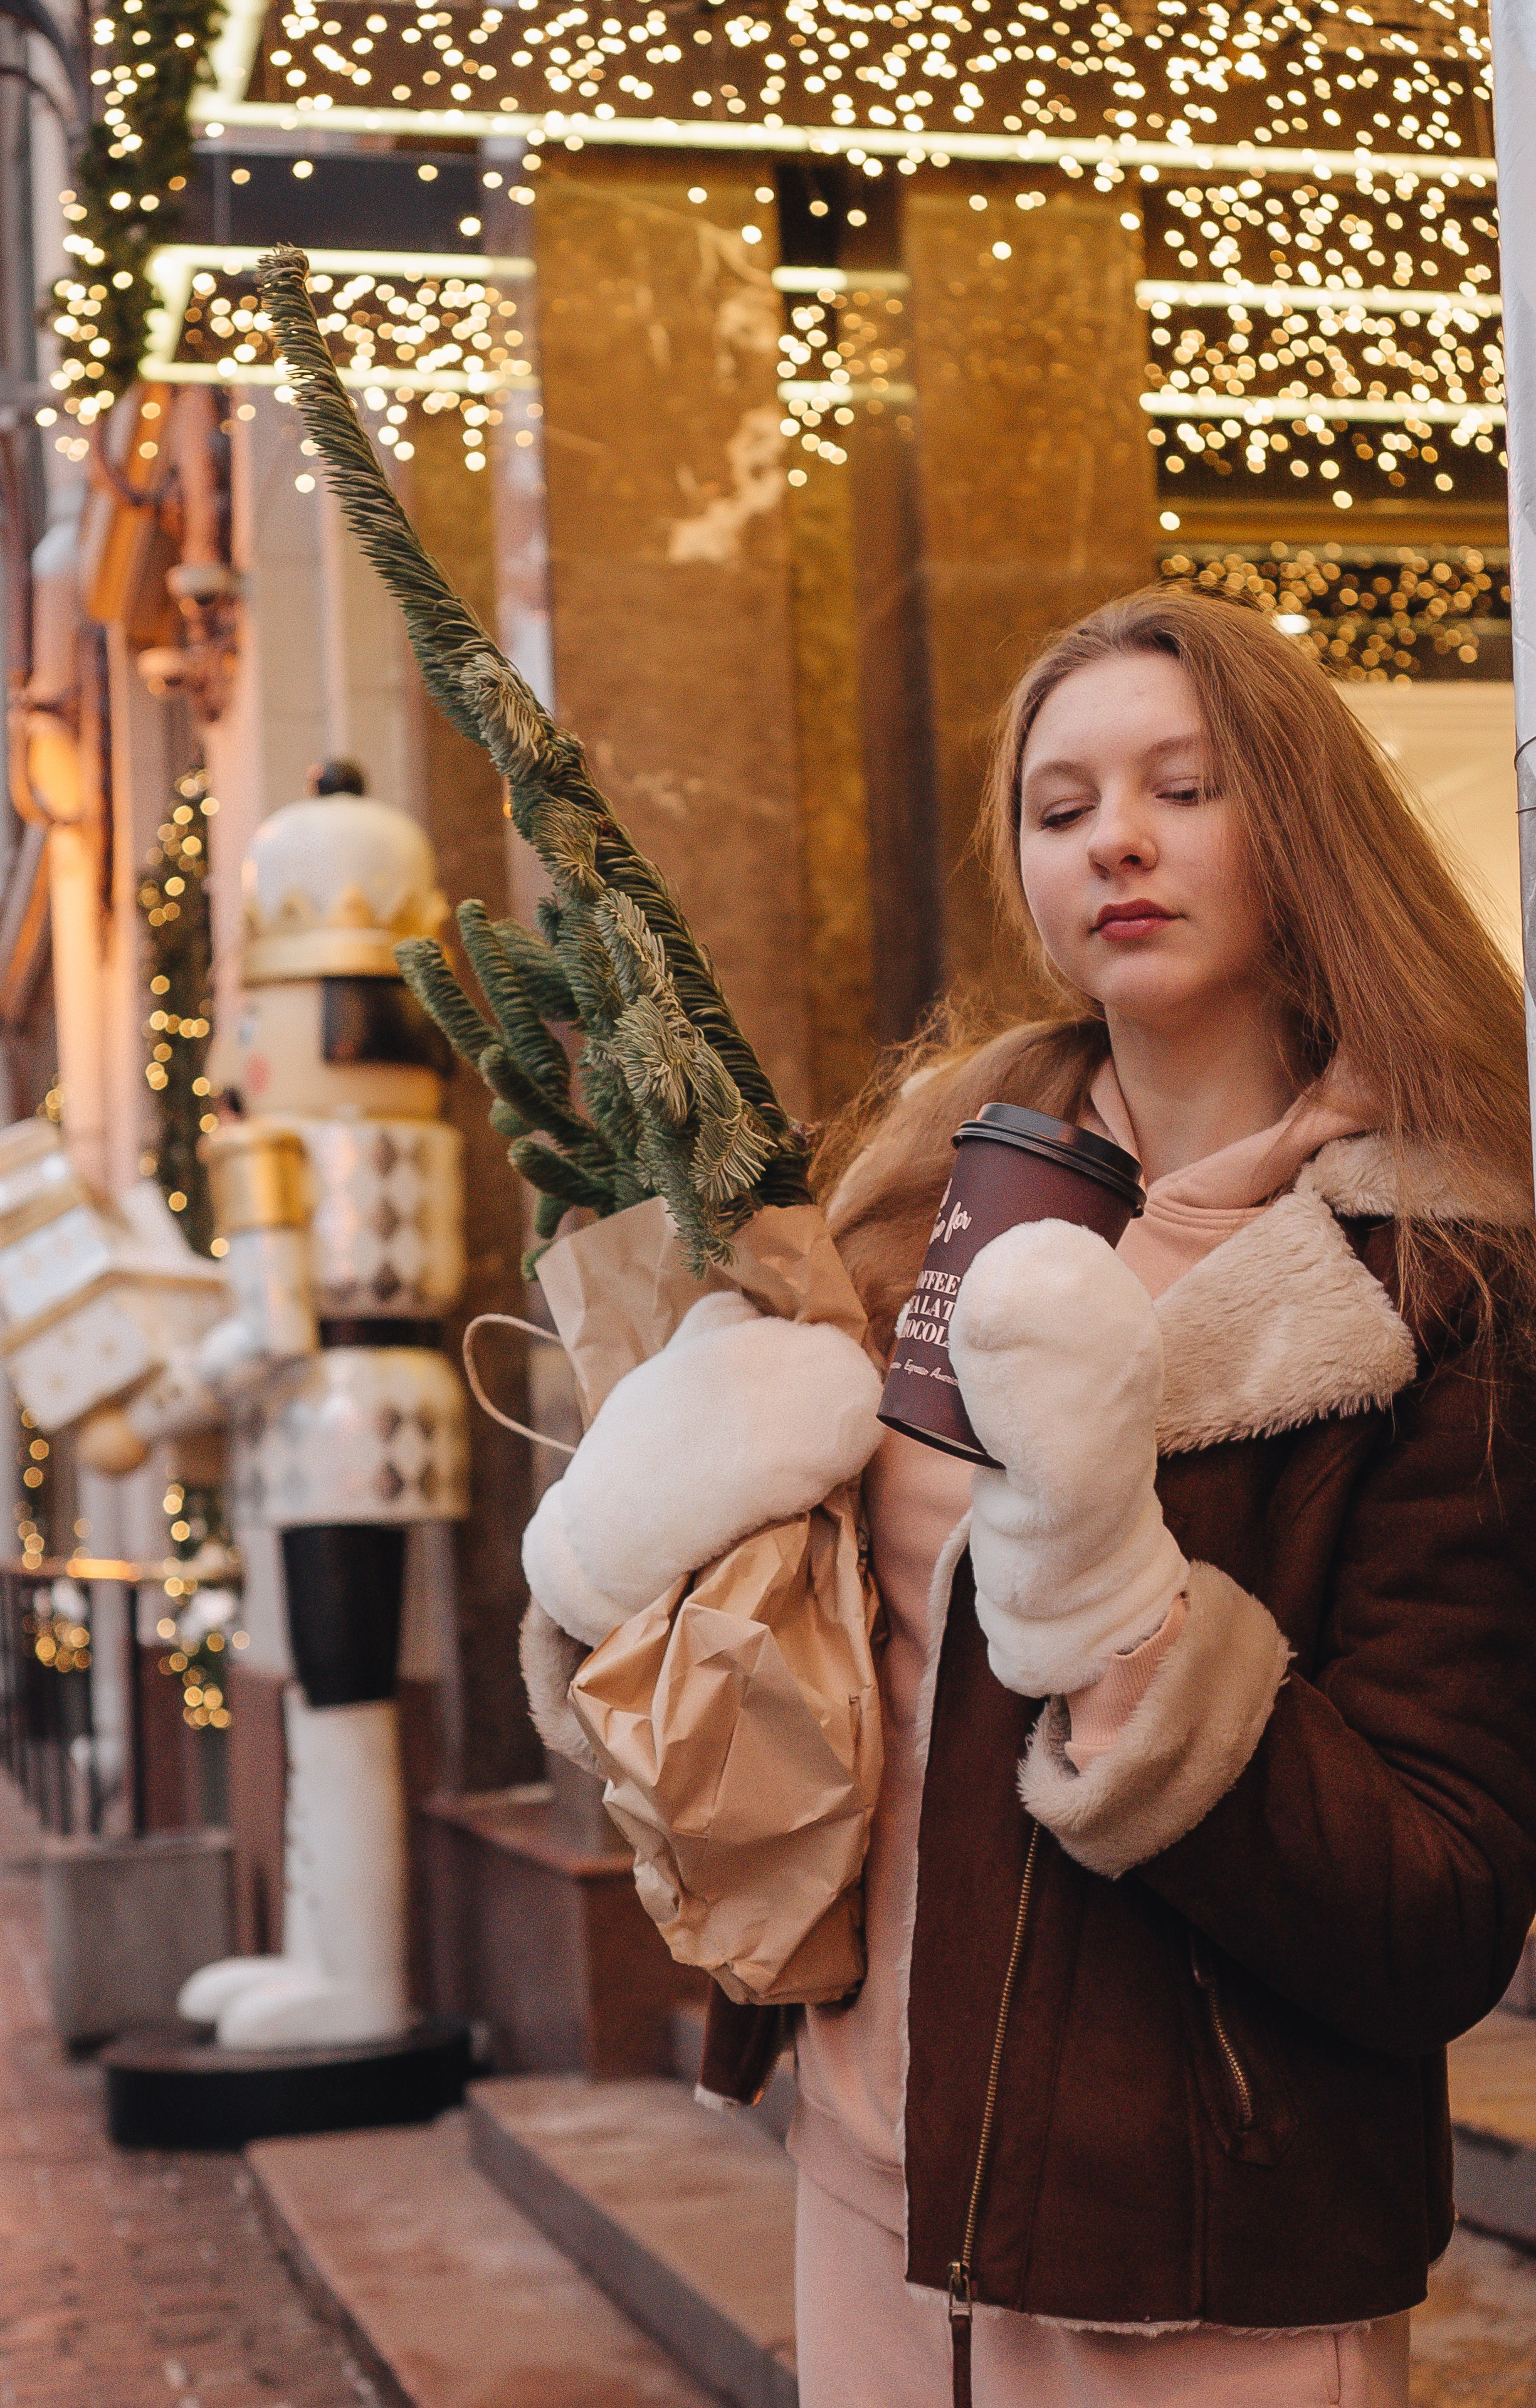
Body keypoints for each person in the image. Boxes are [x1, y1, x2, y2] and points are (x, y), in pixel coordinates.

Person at [525, 586, 1536, 2406]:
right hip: (869, 2177)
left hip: (1197, 2245)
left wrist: (1113, 1601)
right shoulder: (913, 1207)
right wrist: (632, 1536)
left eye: (1183, 788)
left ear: (1299, 827)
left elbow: (1435, 1908)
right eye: (1061, 810)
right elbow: (808, 1680)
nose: (1116, 843)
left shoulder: (1431, 1284)